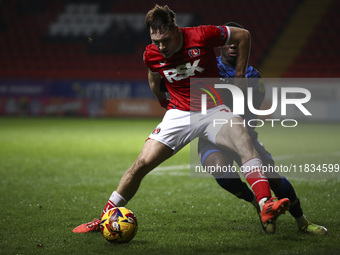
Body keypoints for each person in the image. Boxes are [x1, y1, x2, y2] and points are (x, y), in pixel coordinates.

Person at [73, 4, 290, 233]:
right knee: (140, 164)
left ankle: (265, 204)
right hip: (179, 114)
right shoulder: (151, 53)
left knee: (243, 138)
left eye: (165, 40)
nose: (161, 46)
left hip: (214, 108)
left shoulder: (201, 35)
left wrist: (238, 75)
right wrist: (161, 100)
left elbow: (243, 35)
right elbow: (153, 78)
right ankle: (104, 218)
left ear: (175, 29)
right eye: (156, 41)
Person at [197, 22, 327, 235]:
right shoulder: (210, 68)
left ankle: (302, 222)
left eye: (237, 43)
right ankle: (257, 203)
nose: (232, 46)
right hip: (213, 136)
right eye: (228, 42)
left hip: (243, 133)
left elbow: (250, 110)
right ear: (219, 45)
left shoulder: (252, 75)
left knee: (273, 178)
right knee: (219, 169)